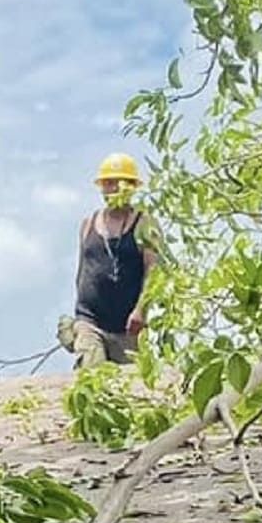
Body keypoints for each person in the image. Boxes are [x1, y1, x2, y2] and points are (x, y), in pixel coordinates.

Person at [63, 153, 161, 367]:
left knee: (128, 388)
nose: (114, 188)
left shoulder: (145, 224)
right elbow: (83, 272)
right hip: (90, 321)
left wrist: (141, 310)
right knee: (91, 375)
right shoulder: (88, 224)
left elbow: (153, 271)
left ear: (132, 187)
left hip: (127, 328)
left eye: (120, 183)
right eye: (109, 183)